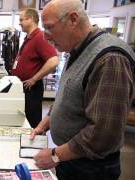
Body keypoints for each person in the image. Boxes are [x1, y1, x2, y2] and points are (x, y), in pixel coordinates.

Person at [31, 0, 135, 179]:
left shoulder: (110, 58)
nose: (46, 36)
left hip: (90, 168)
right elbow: (69, 94)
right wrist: (47, 122)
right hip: (71, 159)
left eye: (49, 28)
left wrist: (56, 155)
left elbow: (103, 135)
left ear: (72, 19)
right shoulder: (76, 49)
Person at [12, 8, 59, 128]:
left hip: (31, 88)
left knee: (31, 123)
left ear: (31, 19)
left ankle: (33, 145)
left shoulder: (40, 36)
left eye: (21, 19)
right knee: (22, 121)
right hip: (23, 88)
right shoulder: (29, 37)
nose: (19, 23)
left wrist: (34, 78)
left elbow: (53, 60)